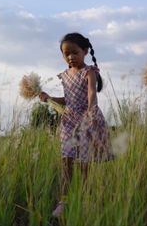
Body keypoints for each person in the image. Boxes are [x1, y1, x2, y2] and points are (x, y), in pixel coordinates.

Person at [39, 32, 113, 217]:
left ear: (85, 51)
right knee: (67, 162)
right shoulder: (64, 75)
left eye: (75, 52)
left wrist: (90, 113)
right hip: (68, 123)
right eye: (66, 53)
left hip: (87, 120)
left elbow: (91, 95)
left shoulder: (89, 72)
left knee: (84, 164)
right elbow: (67, 99)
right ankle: (64, 201)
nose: (70, 57)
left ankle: (86, 200)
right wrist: (49, 98)